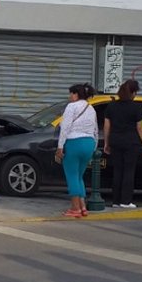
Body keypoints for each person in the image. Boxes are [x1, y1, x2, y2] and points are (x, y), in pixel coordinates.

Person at [102, 79, 142, 209]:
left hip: (115, 141)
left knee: (117, 171)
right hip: (131, 142)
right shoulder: (136, 107)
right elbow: (140, 127)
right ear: (133, 93)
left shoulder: (111, 106)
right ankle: (126, 201)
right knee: (129, 171)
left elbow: (107, 126)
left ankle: (116, 201)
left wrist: (107, 142)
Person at [55, 83, 98, 218]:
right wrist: (94, 147)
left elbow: (65, 128)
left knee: (72, 176)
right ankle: (83, 206)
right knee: (79, 176)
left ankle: (75, 208)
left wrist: (60, 147)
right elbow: (95, 130)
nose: (70, 96)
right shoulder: (91, 108)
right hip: (89, 143)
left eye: (71, 93)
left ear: (76, 94)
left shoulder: (71, 107)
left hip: (74, 142)